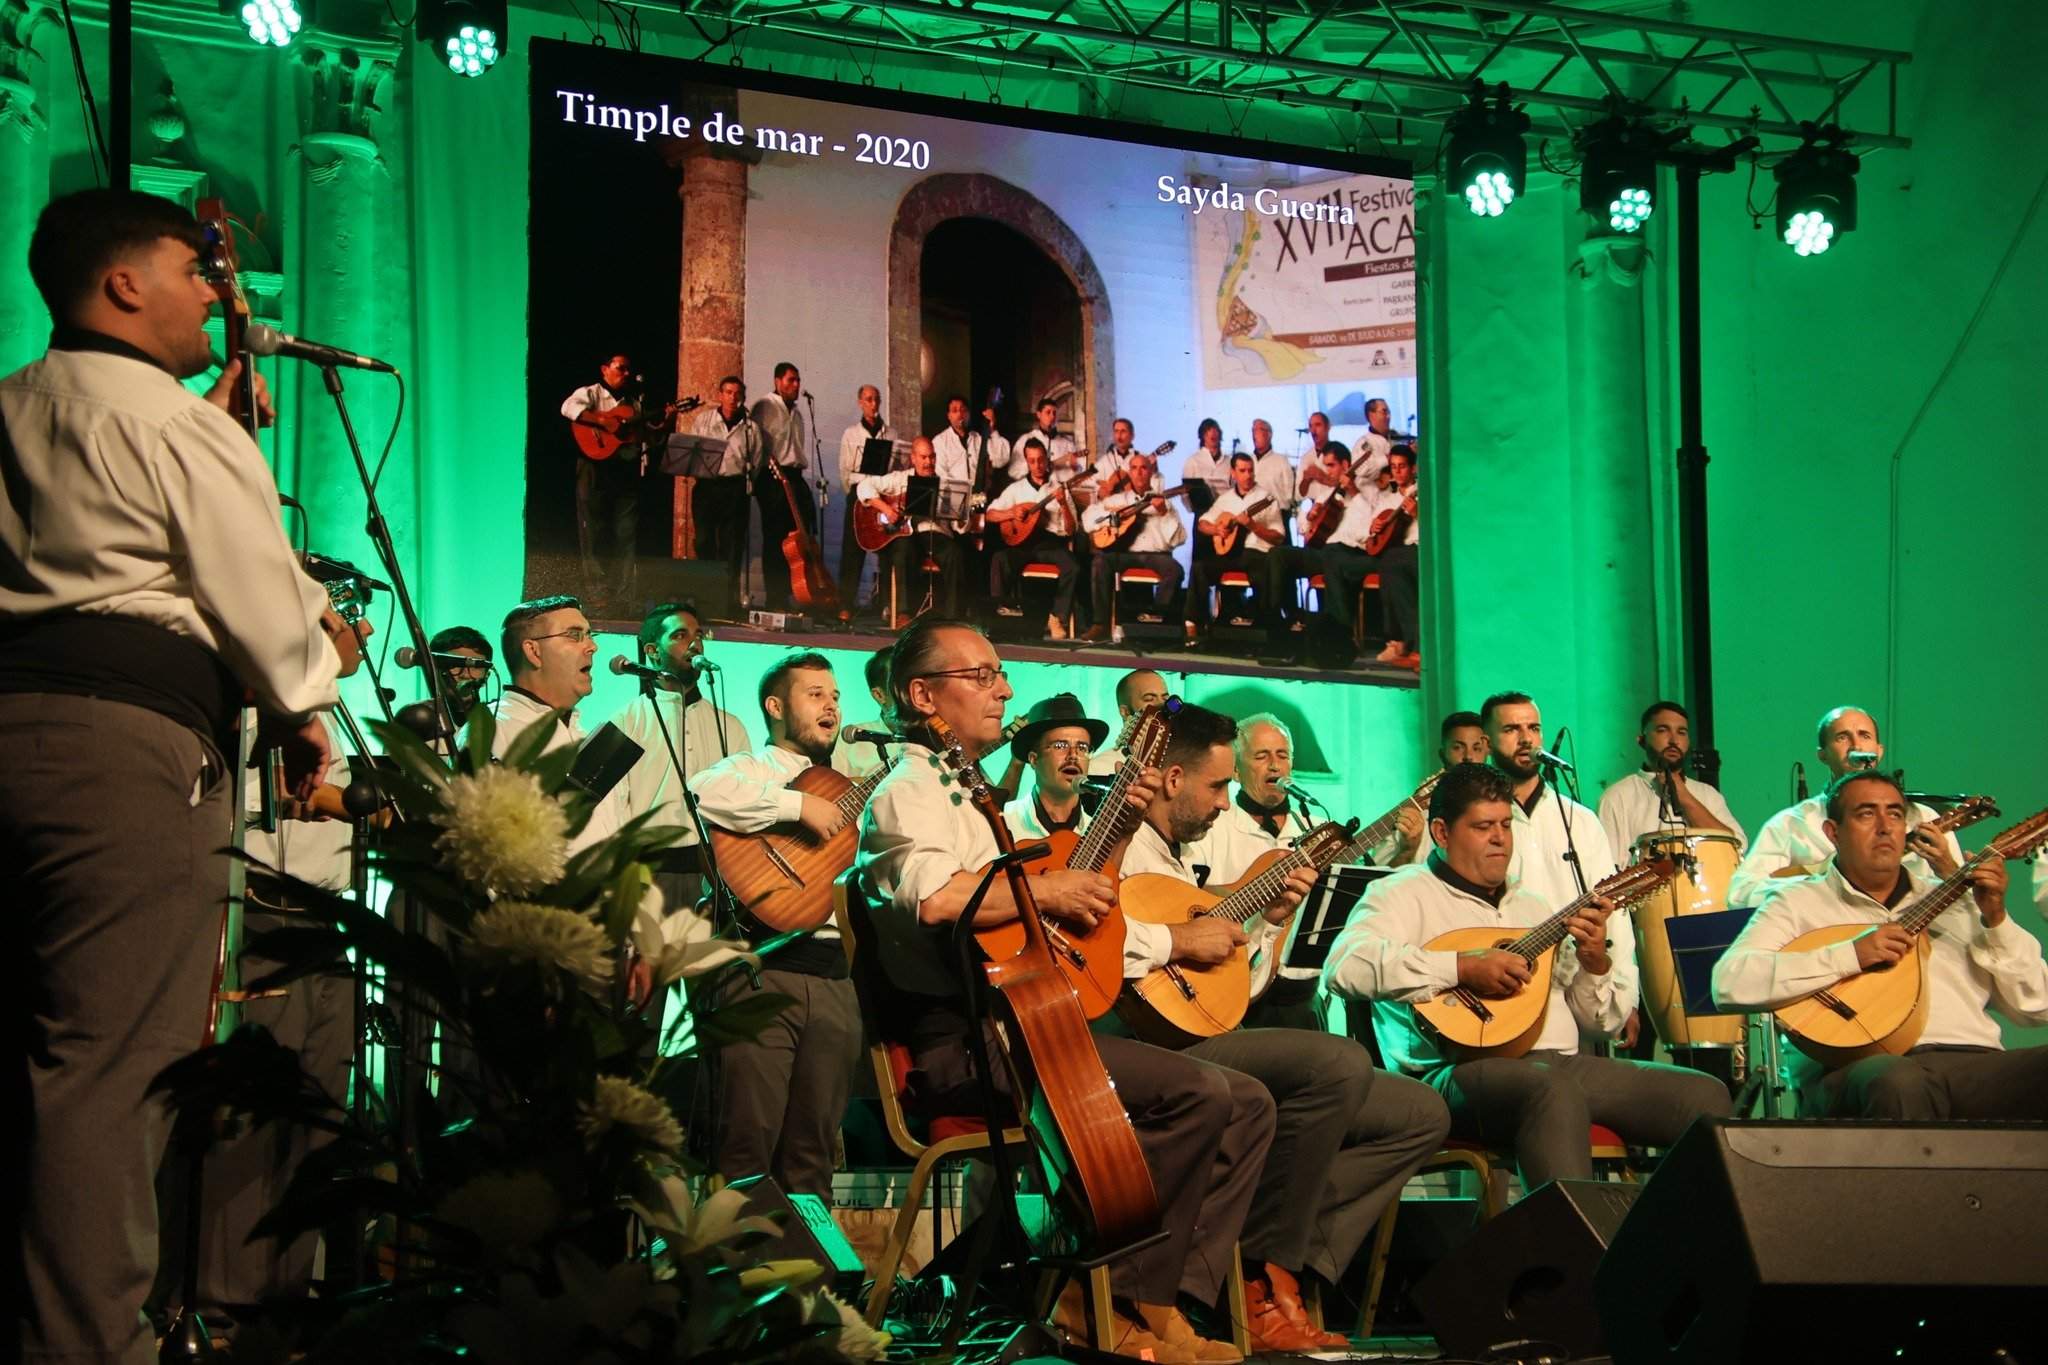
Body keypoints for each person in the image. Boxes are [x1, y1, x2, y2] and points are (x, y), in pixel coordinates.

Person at [2, 187, 339, 1365]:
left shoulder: (11, 407)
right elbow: (273, 626)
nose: (216, 292)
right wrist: (311, 709)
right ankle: (90, 1345)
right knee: (110, 1065)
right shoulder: (183, 429)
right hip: (127, 754)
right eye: (193, 271)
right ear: (121, 285)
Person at [858, 620, 1271, 1362]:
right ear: (922, 695)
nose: (1005, 689)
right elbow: (936, 900)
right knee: (1198, 1094)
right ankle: (1103, 1298)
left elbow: (1058, 911)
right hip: (968, 1043)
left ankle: (1155, 1299)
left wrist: (1108, 840)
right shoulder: (908, 790)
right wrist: (1043, 889)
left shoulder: (965, 787)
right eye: (980, 676)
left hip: (1022, 1021)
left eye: (999, 673)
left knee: (1245, 1101)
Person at [1117, 704, 1448, 1353]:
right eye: (1218, 786)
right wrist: (1180, 938)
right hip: (1156, 1040)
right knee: (1337, 1064)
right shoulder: (1126, 850)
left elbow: (1240, 982)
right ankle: (1263, 1276)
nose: (1224, 802)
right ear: (1174, 777)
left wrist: (1268, 919)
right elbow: (1118, 949)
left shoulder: (1195, 850)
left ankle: (1274, 1242)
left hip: (1204, 1024)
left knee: (1420, 1111)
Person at [1320, 763, 1731, 1187]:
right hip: (1454, 1073)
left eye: (1505, 825)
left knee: (1704, 1095)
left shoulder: (1534, 907)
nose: (1500, 838)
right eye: (1483, 827)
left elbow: (1600, 1025)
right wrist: (1461, 967)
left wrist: (1595, 964)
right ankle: (1569, 1251)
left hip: (1560, 1066)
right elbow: (1344, 966)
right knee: (1551, 1090)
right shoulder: (1400, 893)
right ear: (1441, 833)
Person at [177, 602, 374, 1317]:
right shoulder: (265, 713)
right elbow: (270, 796)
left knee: (318, 1115)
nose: (367, 632)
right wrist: (354, 801)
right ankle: (223, 1296)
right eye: (351, 615)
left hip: (331, 929)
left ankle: (285, 1294)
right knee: (253, 1118)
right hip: (266, 917)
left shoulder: (348, 714)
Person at [1713, 770, 2048, 1119]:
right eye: (1866, 814)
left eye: (1895, 814)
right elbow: (1729, 983)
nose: (1885, 826)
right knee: (1897, 1081)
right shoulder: (1797, 903)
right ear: (1833, 833)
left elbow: (2036, 1008)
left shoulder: (1960, 901)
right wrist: (1851, 954)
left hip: (1973, 1066)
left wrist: (1996, 919)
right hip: (1855, 1069)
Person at [686, 652, 863, 1196]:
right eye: (814, 694)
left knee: (814, 1152)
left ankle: (810, 1278)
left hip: (835, 981)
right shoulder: (750, 770)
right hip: (761, 972)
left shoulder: (852, 785)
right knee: (746, 1143)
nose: (830, 705)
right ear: (775, 706)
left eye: (834, 696)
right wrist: (795, 807)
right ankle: (738, 1273)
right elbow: (702, 791)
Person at [1727, 705, 1962, 908]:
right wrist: (1819, 886)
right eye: (1842, 737)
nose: (1855, 745)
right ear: (1823, 754)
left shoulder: (1922, 817)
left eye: (1864, 736)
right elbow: (1741, 894)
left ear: (1879, 751)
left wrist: (1947, 868)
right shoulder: (1791, 823)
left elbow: (1966, 902)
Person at [611, 601, 751, 912]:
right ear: (652, 651)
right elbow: (615, 810)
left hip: (718, 875)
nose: (694, 643)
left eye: (698, 634)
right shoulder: (627, 721)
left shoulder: (731, 725)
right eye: (679, 635)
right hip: (649, 874)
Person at [1182, 714, 1318, 1028]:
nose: (1275, 765)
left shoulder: (1315, 828)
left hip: (1302, 994)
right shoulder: (1212, 826)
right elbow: (1189, 896)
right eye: (1261, 756)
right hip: (1235, 981)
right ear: (1237, 772)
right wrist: (1255, 896)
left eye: (1282, 756)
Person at [490, 596, 626, 854]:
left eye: (589, 635)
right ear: (533, 651)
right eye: (574, 635)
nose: (592, 646)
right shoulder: (494, 731)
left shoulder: (582, 734)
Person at [1481, 691, 1621, 914]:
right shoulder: (1477, 821)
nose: (1526, 739)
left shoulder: (1581, 819)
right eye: (1511, 729)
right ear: (1486, 743)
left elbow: (1612, 913)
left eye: (1534, 728)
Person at [562, 352, 661, 606]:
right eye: (621, 368)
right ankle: (597, 592)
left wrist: (664, 422)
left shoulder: (634, 403)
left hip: (624, 471)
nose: (627, 374)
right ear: (605, 369)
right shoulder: (591, 393)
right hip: (593, 468)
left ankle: (625, 595)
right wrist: (603, 420)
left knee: (626, 532)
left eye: (629, 370)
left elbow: (644, 439)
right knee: (592, 531)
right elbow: (568, 408)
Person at [1597, 700, 1745, 862]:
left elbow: (1736, 848)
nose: (1674, 740)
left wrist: (1684, 797)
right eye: (1663, 730)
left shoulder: (1707, 794)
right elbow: (1608, 868)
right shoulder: (1617, 796)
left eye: (1682, 732)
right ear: (1641, 740)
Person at [858, 435, 966, 623]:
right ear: (913, 458)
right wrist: (886, 509)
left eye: (931, 457)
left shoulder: (946, 485)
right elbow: (864, 486)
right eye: (923, 457)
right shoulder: (899, 479)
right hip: (906, 533)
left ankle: (953, 617)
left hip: (934, 533)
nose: (928, 462)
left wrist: (963, 518)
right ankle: (903, 613)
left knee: (954, 554)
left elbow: (958, 525)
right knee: (903, 549)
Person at [1081, 452, 1185, 640]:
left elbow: (1179, 539)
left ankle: (1156, 621)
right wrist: (1113, 521)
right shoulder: (1119, 500)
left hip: (1156, 555)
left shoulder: (1164, 501)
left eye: (1144, 468)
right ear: (1129, 472)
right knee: (1099, 562)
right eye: (1134, 468)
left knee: (1175, 570)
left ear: (1151, 472)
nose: (1139, 473)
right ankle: (1100, 624)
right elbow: (1088, 520)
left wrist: (1163, 513)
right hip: (1125, 555)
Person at [985, 438, 1081, 640]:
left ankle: (1057, 618)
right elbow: (990, 514)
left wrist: (1063, 504)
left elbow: (1072, 530)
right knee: (1000, 560)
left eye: (1040, 460)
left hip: (1050, 545)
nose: (1037, 465)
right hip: (1023, 546)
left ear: (1047, 459)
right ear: (1027, 462)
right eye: (1032, 461)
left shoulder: (1059, 488)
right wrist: (1011, 513)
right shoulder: (1016, 489)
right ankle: (1001, 615)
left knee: (1072, 566)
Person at [1187, 452, 1285, 642]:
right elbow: (1202, 523)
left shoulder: (1266, 498)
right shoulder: (1226, 498)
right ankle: (1194, 625)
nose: (1248, 475)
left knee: (1262, 572)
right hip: (1230, 555)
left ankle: (1265, 631)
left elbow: (1279, 537)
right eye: (1242, 471)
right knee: (1199, 567)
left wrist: (1253, 526)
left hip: (1256, 554)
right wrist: (1217, 529)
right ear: (1233, 472)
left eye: (1250, 471)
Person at [749, 362, 820, 612]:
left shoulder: (798, 413)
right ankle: (775, 597)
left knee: (799, 540)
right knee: (776, 540)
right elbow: (756, 444)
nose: (796, 385)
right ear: (777, 381)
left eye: (798, 380)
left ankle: (798, 593)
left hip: (794, 475)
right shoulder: (765, 406)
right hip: (772, 476)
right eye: (790, 380)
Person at [685, 374, 760, 595]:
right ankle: (706, 594)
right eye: (728, 392)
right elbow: (693, 453)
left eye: (737, 394)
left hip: (735, 488)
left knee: (733, 545)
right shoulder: (704, 420)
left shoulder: (750, 429)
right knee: (704, 540)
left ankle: (728, 598)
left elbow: (755, 462)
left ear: (743, 397)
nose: (732, 398)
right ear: (720, 395)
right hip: (707, 486)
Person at [1002, 693, 1106, 840]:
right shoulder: (1005, 822)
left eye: (1082, 747)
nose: (1073, 755)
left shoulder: (1099, 835)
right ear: (1033, 759)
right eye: (1060, 745)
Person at [835, 383, 897, 610]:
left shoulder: (890, 433)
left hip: (883, 496)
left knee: (889, 548)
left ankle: (889, 605)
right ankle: (845, 605)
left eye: (876, 399)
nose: (873, 404)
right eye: (868, 400)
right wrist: (861, 488)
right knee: (852, 550)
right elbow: (844, 473)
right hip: (860, 496)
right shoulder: (851, 434)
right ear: (860, 403)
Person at [1360, 445, 1420, 667]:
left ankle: (1401, 642)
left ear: (1413, 468)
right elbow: (1373, 539)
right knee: (1389, 564)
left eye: (1402, 466)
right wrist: (1375, 527)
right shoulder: (1387, 500)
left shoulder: (1423, 491)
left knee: (1391, 564)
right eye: (1393, 467)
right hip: (1397, 555)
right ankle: (1403, 642)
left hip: (1420, 550)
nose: (1397, 471)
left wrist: (1417, 514)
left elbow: (1436, 527)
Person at [829, 644, 896, 781]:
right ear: (879, 695)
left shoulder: (939, 737)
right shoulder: (848, 741)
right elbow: (833, 797)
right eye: (904, 685)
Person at [1088, 669, 1172, 776]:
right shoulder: (1098, 768)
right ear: (1125, 712)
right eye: (1149, 699)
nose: (1161, 705)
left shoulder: (1181, 758)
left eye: (1165, 698)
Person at [429, 624, 494, 729]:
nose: (465, 675)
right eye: (455, 664)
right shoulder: (418, 723)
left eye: (475, 666)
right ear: (434, 671)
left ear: (487, 675)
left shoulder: (499, 722)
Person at [1006, 397, 1081, 479]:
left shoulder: (1067, 443)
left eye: (1054, 413)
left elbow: (1079, 474)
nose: (1052, 417)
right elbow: (1013, 471)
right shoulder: (1025, 440)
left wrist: (1075, 467)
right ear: (1039, 415)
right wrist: (1037, 465)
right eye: (1048, 412)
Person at [1246, 420, 1297, 537]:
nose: (1255, 434)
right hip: (1251, 519)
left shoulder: (1281, 460)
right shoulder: (1248, 460)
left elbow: (1289, 494)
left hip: (1277, 518)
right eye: (1253, 430)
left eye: (1258, 430)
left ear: (1269, 434)